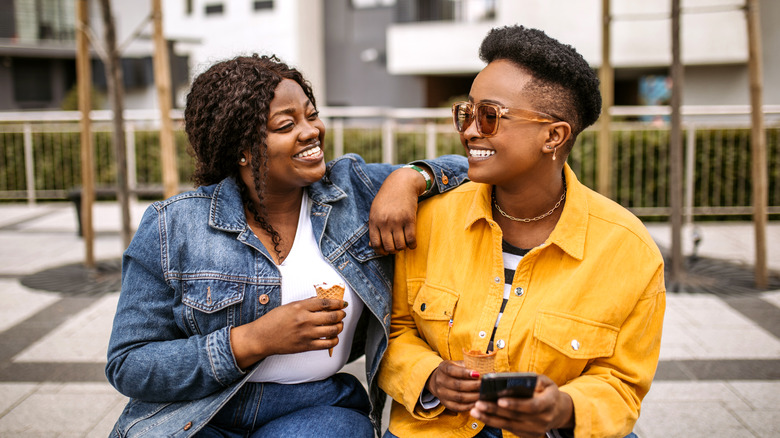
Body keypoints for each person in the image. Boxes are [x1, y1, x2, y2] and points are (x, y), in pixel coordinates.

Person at [105, 54, 468, 437]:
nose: (311, 131)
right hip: (198, 411)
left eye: (311, 115)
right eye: (286, 124)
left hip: (314, 407)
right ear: (241, 149)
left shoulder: (353, 190)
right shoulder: (173, 225)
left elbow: (468, 169)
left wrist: (408, 179)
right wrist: (254, 340)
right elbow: (128, 364)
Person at [377, 26, 665, 438]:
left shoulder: (628, 249)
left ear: (554, 135)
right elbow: (396, 329)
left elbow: (622, 384)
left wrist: (563, 408)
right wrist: (430, 376)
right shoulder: (429, 221)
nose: (470, 130)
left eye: (490, 116)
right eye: (467, 112)